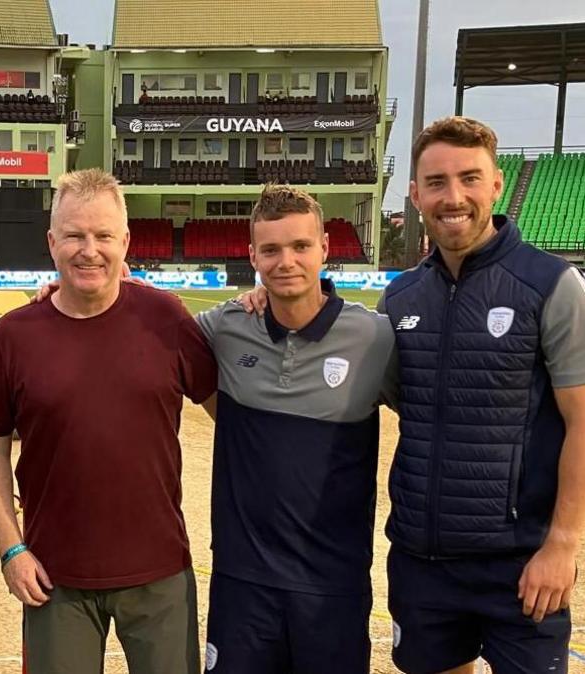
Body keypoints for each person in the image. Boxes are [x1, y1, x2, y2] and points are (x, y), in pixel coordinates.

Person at [381, 116, 585, 674]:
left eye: (469, 178)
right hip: (422, 560)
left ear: (497, 184)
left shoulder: (552, 284)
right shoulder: (400, 296)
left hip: (521, 564)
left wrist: (562, 547)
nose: (452, 197)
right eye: (435, 183)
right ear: (414, 195)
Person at [0, 168, 217, 674]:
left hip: (159, 574)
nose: (90, 250)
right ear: (52, 241)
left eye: (104, 235)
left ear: (125, 241)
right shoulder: (15, 335)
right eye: (75, 235)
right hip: (53, 580)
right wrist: (10, 548)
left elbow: (231, 418)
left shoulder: (165, 318)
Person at [198, 185, 395, 673]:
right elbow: (149, 325)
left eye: (301, 246)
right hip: (243, 581)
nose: (286, 261)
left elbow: (432, 422)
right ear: (253, 256)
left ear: (325, 247)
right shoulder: (225, 327)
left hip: (333, 585)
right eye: (271, 249)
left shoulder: (374, 338)